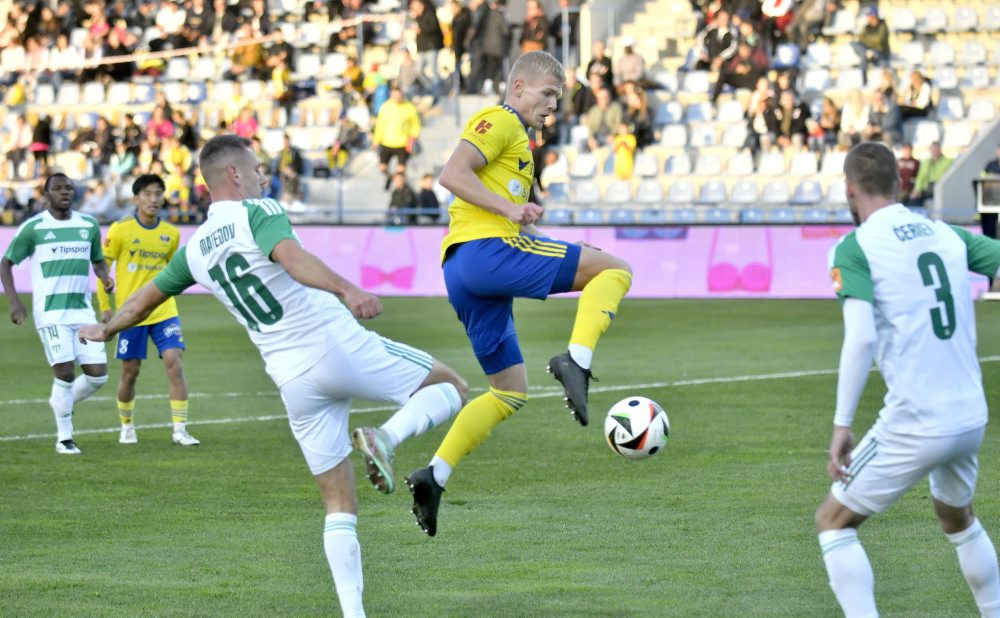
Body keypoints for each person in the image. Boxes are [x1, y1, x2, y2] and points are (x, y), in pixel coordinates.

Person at [78, 134, 469, 616]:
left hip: (291, 380)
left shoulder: (195, 249)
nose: (264, 175)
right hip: (331, 343)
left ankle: (354, 614)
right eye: (257, 167)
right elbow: (291, 257)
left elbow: (141, 301)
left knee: (338, 501)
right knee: (452, 387)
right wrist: (348, 289)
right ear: (235, 175)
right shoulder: (257, 212)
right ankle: (385, 439)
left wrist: (105, 327)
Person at [404, 51, 632, 537]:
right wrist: (511, 208)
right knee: (614, 270)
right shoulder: (500, 119)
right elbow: (453, 175)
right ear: (519, 87)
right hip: (488, 251)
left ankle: (434, 477)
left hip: (463, 271)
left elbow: (488, 184)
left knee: (508, 392)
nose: (554, 104)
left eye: (558, 97)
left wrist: (525, 202)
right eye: (549, 94)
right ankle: (577, 359)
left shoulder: (520, 143)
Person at [815, 141, 1000, 617]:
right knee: (957, 518)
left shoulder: (855, 246)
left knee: (833, 522)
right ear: (900, 184)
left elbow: (859, 338)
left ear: (850, 190)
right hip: (969, 416)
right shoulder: (947, 234)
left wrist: (841, 423)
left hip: (917, 420)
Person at [0, 173, 114, 455]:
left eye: (69, 188)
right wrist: (14, 301)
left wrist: (104, 277)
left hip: (82, 310)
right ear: (46, 193)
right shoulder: (33, 228)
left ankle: (60, 401)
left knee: (98, 376)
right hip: (51, 312)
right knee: (64, 371)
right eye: (57, 189)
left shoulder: (88, 225)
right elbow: (5, 263)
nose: (64, 192)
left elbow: (97, 259)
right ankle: (65, 438)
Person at [96, 174, 199, 446]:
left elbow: (171, 271)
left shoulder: (171, 233)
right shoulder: (120, 230)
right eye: (148, 194)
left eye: (158, 194)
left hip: (164, 310)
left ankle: (180, 430)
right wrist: (106, 308)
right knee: (130, 372)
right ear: (137, 198)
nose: (154, 199)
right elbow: (102, 270)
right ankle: (127, 427)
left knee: (174, 363)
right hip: (131, 314)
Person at [372, 86, 422, 190]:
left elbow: (415, 124)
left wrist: (413, 137)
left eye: (399, 95)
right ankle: (392, 178)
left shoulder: (409, 107)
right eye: (395, 95)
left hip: (402, 143)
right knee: (382, 168)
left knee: (401, 170)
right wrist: (376, 140)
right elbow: (380, 125)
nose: (398, 97)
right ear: (391, 95)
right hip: (387, 142)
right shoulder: (385, 107)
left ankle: (401, 187)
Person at [910, 141, 952, 206]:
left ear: (940, 150)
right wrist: (917, 190)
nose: (935, 152)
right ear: (930, 150)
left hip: (940, 188)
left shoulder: (948, 162)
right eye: (933, 150)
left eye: (936, 150)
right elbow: (920, 177)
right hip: (926, 188)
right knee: (912, 200)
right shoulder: (926, 162)